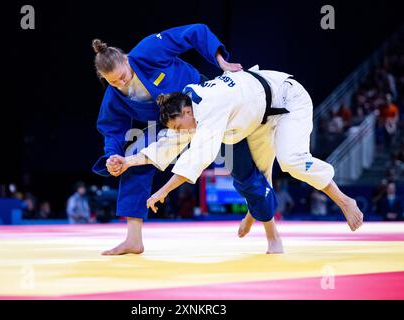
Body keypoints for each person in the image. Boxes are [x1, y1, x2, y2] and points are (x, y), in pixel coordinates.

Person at [109, 65, 364, 253]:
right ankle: (262, 224)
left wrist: (160, 192)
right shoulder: (188, 104)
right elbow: (167, 144)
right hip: (258, 116)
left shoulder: (208, 107)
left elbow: (196, 159)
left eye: (178, 125)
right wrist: (128, 161)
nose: (180, 132)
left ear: (186, 112)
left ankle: (344, 201)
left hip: (288, 100)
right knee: (261, 178)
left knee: (291, 161)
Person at [92, 24, 270, 255]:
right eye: (113, 82)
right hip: (167, 123)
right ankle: (133, 239)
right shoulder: (113, 96)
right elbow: (112, 129)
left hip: (198, 103)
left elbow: (195, 31)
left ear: (126, 59)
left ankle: (269, 228)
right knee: (132, 161)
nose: (121, 84)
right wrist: (112, 156)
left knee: (242, 164)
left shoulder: (148, 51)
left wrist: (221, 63)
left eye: (123, 77)